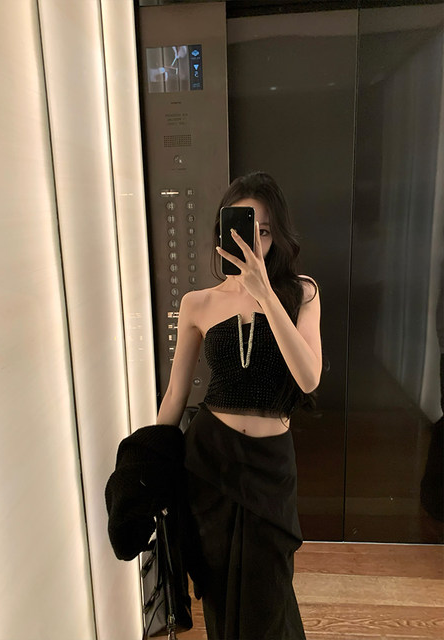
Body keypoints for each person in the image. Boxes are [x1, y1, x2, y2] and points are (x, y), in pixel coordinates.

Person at [156, 171, 322, 640]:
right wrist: (152, 464)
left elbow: (308, 378)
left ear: (277, 235)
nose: (255, 241)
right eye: (247, 228)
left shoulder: (302, 293)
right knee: (218, 592)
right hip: (209, 464)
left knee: (269, 593)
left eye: (264, 231)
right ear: (224, 231)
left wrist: (265, 293)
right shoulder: (198, 303)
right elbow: (176, 394)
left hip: (270, 467)